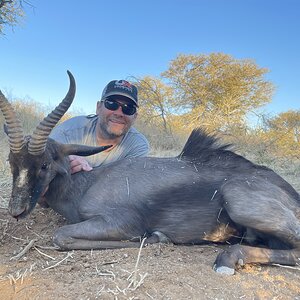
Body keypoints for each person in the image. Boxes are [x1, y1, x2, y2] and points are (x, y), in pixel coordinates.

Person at [50, 79, 150, 174]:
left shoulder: (138, 146)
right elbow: (42, 162)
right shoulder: (68, 130)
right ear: (98, 108)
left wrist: (87, 173)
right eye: (111, 104)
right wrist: (65, 161)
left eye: (128, 108)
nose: (119, 113)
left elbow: (126, 184)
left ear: (135, 117)